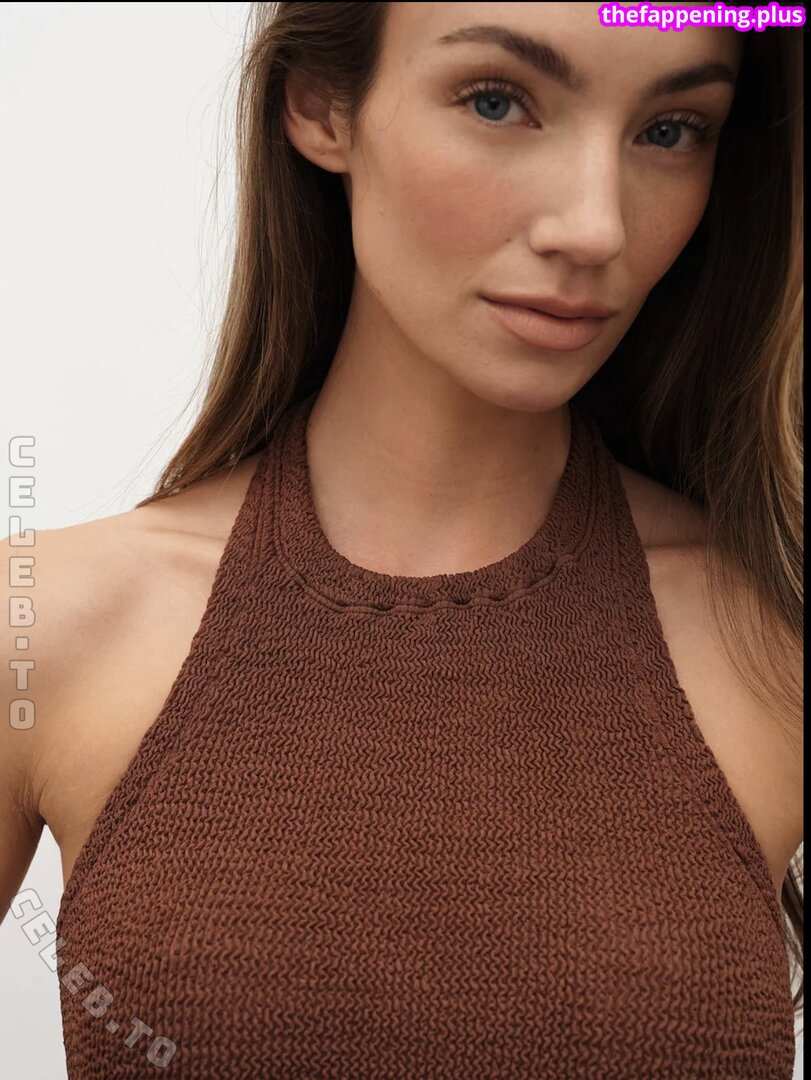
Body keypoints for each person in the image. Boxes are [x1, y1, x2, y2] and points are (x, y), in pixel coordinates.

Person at [1, 3, 802, 1077]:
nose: (595, 226)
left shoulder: (774, 633)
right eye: (497, 102)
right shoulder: (45, 627)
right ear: (320, 106)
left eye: (670, 130)